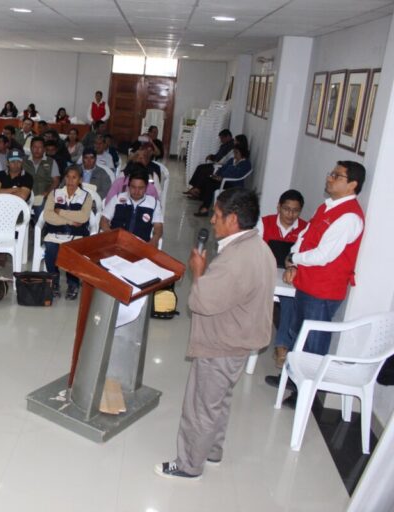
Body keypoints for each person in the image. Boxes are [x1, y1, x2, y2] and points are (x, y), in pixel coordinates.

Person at [156, 188, 276, 480]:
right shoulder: (258, 247)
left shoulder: (236, 260)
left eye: (217, 215)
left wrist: (199, 270)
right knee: (219, 399)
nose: (212, 220)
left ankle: (189, 464)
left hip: (222, 342)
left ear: (233, 219)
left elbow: (201, 302)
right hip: (240, 339)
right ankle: (212, 450)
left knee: (201, 405)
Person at [265, 162, 366, 395]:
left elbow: (323, 255)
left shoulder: (349, 217)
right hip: (306, 283)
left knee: (313, 345)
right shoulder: (327, 207)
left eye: (336, 176)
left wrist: (294, 258)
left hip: (323, 290)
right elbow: (305, 234)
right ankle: (291, 380)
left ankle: (305, 393)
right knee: (297, 335)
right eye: (331, 173)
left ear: (352, 184)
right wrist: (294, 262)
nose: (330, 178)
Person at [257, 189, 307, 368]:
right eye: (286, 209)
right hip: (263, 272)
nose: (290, 214)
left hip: (288, 276)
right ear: (279, 207)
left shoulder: (305, 228)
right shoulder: (264, 223)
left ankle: (282, 346)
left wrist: (293, 267)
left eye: (296, 211)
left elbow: (302, 255)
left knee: (289, 300)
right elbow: (255, 250)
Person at [43, 166, 93, 300]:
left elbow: (83, 217)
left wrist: (60, 211)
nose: (70, 180)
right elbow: (47, 215)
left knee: (73, 254)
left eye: (74, 177)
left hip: (76, 235)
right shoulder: (55, 193)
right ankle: (54, 281)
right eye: (68, 177)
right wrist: (70, 221)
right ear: (64, 178)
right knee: (50, 251)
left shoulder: (86, 197)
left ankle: (73, 284)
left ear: (80, 180)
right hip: (55, 233)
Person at [100, 171, 163, 247]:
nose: (136, 191)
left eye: (141, 188)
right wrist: (110, 235)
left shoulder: (154, 203)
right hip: (115, 243)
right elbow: (103, 220)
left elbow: (158, 227)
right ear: (128, 186)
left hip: (141, 245)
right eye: (133, 187)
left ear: (146, 187)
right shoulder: (117, 198)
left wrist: (154, 240)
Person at [194, 144, 251, 216]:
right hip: (224, 181)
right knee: (208, 180)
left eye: (236, 152)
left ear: (242, 153)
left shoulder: (246, 164)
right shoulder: (232, 160)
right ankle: (204, 205)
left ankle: (205, 208)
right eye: (234, 152)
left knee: (210, 184)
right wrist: (216, 175)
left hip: (233, 184)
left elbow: (238, 175)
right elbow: (222, 168)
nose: (235, 154)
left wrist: (223, 177)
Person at [184, 129, 235, 196]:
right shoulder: (224, 145)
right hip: (216, 163)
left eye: (222, 138)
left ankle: (197, 191)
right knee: (200, 167)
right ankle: (194, 188)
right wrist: (212, 156)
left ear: (228, 136)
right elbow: (218, 156)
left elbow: (222, 159)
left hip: (220, 166)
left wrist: (213, 158)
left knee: (204, 171)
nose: (221, 140)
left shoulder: (230, 146)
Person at [24, 136, 60, 215]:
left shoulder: (51, 162)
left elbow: (56, 181)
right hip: (25, 194)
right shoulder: (23, 161)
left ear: (44, 149)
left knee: (40, 209)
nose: (37, 150)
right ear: (30, 148)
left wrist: (47, 193)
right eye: (35, 147)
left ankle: (39, 227)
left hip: (43, 195)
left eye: (40, 147)